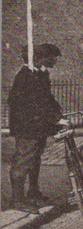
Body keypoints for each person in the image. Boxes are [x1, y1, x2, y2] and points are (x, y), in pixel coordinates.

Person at [8, 44, 63, 211]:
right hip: (27, 128)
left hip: (38, 127)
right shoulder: (25, 77)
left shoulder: (40, 74)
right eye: (51, 57)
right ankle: (17, 199)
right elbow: (28, 105)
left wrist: (58, 115)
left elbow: (47, 99)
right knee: (23, 161)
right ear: (37, 59)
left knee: (35, 159)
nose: (54, 60)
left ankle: (33, 192)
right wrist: (52, 119)